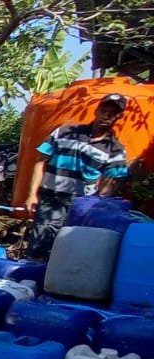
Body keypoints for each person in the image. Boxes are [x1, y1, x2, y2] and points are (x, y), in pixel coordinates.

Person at [25, 93, 131, 260]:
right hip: (51, 197)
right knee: (40, 244)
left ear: (119, 117)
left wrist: (97, 206)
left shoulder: (115, 150)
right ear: (96, 111)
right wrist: (32, 194)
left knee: (70, 248)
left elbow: (109, 183)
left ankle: (56, 283)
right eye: (104, 110)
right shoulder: (64, 132)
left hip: (82, 205)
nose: (107, 115)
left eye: (113, 113)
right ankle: (30, 280)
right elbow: (40, 162)